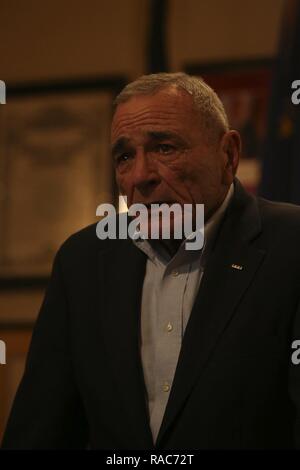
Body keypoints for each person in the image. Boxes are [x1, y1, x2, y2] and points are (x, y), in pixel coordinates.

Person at [2, 73, 300, 450]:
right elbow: (40, 432)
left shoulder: (290, 247)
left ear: (228, 155)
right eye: (125, 156)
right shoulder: (82, 262)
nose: (141, 176)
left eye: (164, 148)